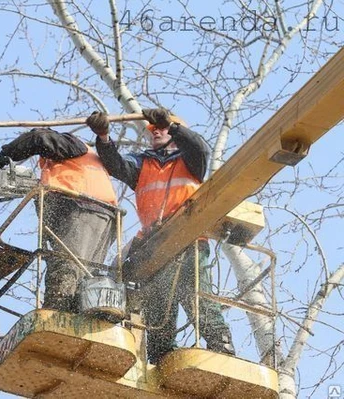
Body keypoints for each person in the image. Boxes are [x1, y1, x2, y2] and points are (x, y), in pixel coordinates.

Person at [86, 109, 235, 364]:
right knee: (158, 303)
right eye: (152, 130)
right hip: (154, 245)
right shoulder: (143, 162)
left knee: (194, 294)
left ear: (175, 131)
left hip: (188, 240)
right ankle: (162, 356)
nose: (155, 132)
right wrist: (103, 138)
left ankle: (221, 345)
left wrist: (173, 126)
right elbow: (116, 165)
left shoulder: (190, 161)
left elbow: (200, 148)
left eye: (161, 128)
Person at [0, 127, 119, 314]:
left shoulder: (73, 145)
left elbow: (38, 137)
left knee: (65, 264)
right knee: (84, 275)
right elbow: (47, 190)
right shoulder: (62, 170)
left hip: (84, 208)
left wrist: (2, 157)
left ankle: (55, 314)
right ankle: (78, 313)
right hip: (100, 216)